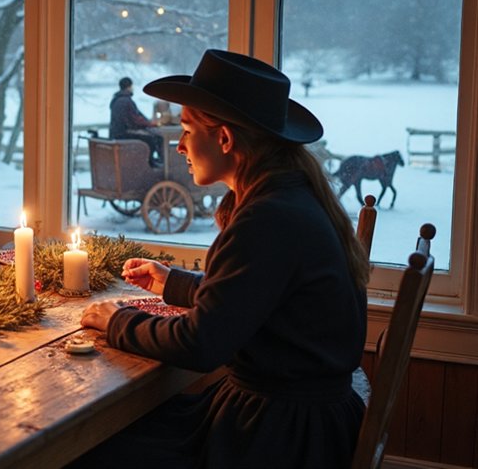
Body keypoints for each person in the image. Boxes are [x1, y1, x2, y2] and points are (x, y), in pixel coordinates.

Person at [78, 50, 369, 468]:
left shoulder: (267, 219)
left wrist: (116, 320)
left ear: (225, 139)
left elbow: (200, 344)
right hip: (300, 419)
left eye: (186, 130)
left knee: (94, 450)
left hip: (279, 437)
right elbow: (253, 296)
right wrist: (172, 282)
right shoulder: (289, 198)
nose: (178, 146)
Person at [109, 76, 164, 164]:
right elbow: (135, 119)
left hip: (118, 133)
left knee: (152, 136)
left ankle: (152, 162)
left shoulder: (117, 100)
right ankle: (151, 163)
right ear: (129, 87)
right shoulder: (126, 101)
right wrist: (150, 124)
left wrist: (147, 123)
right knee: (154, 138)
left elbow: (135, 116)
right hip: (123, 134)